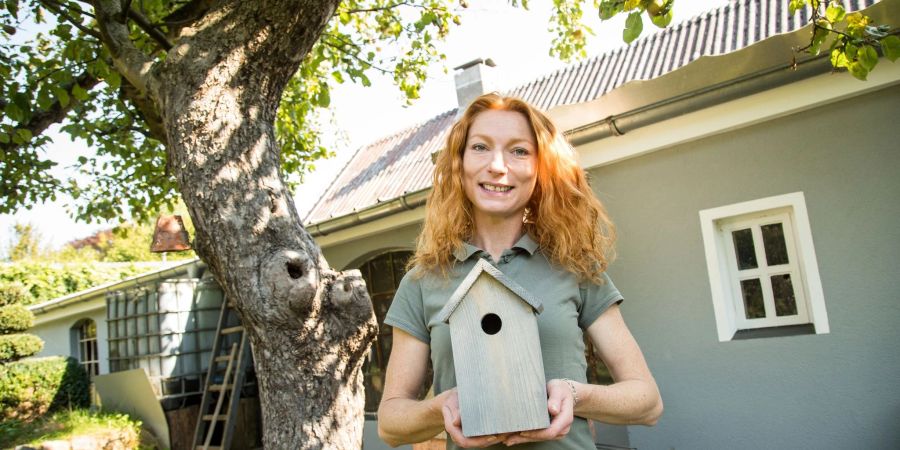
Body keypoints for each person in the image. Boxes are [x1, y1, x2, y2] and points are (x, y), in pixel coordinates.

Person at [377, 93, 662, 449]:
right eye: (480, 147)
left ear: (541, 168)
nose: (498, 165)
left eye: (519, 151)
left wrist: (574, 395)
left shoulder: (573, 266)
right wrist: (442, 407)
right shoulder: (424, 280)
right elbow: (389, 424)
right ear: (459, 163)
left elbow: (648, 402)